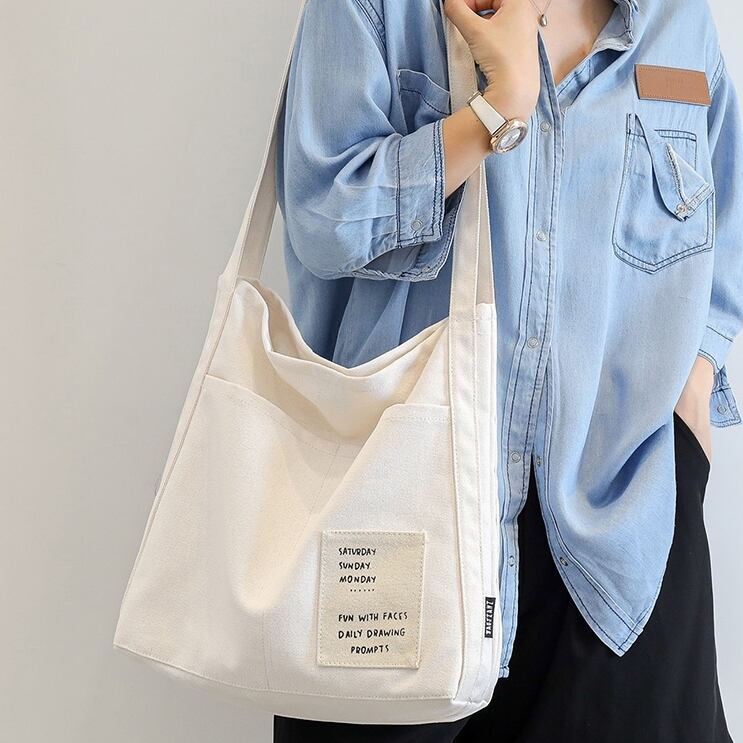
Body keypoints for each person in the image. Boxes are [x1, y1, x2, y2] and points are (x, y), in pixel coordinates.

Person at [272, 0, 742, 740]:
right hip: (398, 536)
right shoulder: (377, 10)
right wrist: (497, 109)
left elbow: (720, 227)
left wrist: (693, 398)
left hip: (623, 541)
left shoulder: (675, 19)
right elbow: (322, 222)